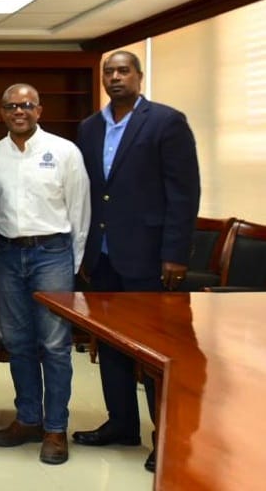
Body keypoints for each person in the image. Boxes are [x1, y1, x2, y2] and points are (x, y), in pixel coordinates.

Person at [73, 50, 200, 472]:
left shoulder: (166, 121)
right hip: (103, 255)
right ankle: (121, 424)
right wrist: (86, 250)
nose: (114, 77)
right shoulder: (89, 128)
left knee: (153, 351)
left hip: (150, 256)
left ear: (139, 77)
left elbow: (184, 192)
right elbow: (92, 194)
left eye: (123, 70)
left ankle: (164, 434)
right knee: (110, 345)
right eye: (108, 71)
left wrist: (175, 254)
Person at [0, 83, 91, 466]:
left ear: (39, 110)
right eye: (11, 105)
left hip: (53, 255)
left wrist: (72, 263)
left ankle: (55, 429)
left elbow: (80, 211)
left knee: (55, 345)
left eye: (26, 105)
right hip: (9, 254)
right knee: (18, 341)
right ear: (2, 112)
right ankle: (28, 418)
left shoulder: (64, 152)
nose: (19, 111)